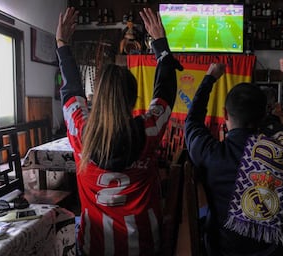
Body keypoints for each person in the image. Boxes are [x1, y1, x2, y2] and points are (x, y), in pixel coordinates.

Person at [56, 7, 182, 255]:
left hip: (95, 246)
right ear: (134, 99)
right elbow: (165, 93)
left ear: (98, 97)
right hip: (146, 245)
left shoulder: (81, 131)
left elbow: (70, 89)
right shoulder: (149, 129)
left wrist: (62, 44)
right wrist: (160, 45)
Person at [184, 58, 283, 255]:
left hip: (221, 251)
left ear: (225, 114)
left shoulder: (211, 153)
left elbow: (191, 121)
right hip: (274, 251)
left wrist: (210, 78)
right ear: (263, 116)